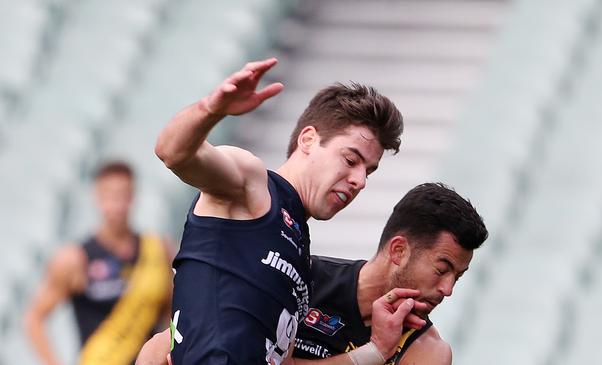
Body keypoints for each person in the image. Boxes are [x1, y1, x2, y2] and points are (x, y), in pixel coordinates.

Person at [154, 57, 405, 365]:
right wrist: (211, 109)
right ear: (309, 139)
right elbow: (173, 152)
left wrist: (376, 351)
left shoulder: (300, 256)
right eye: (351, 160)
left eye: (369, 171)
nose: (360, 181)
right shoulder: (252, 183)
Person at [136, 182, 488, 365]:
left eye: (457, 276)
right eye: (442, 269)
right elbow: (160, 350)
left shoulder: (426, 351)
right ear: (398, 251)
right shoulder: (296, 276)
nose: (447, 290)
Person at [24, 161, 173, 365]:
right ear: (97, 197)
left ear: (133, 196)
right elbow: (34, 319)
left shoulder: (159, 251)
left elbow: (173, 314)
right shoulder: (75, 259)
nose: (117, 205)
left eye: (123, 195)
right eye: (110, 196)